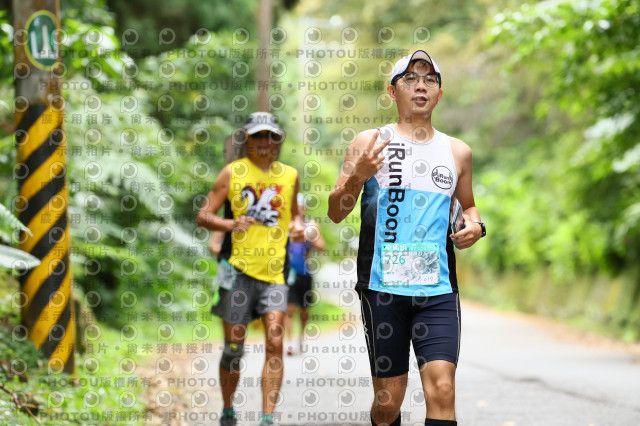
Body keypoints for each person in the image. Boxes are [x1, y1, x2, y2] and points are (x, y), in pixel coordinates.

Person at [328, 50, 486, 426]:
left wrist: (476, 226)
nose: (421, 85)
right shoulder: (370, 142)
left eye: (430, 80)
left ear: (439, 94)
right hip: (382, 289)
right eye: (410, 79)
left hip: (438, 289)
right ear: (392, 91)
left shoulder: (458, 152)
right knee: (388, 404)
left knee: (443, 388)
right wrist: (358, 175)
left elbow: (469, 207)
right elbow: (336, 211)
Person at [197, 111, 304, 426]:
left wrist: (299, 226)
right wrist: (231, 224)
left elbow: (296, 213)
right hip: (236, 271)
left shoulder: (290, 175)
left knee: (275, 342)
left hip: (275, 273)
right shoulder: (231, 173)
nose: (264, 141)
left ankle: (267, 417)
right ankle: (228, 410)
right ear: (247, 140)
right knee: (234, 348)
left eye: (270, 135)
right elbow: (204, 216)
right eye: (258, 135)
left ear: (278, 140)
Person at [284, 193, 325, 356]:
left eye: (299, 206)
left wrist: (310, 237)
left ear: (304, 208)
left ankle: (301, 338)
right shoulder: (285, 224)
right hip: (288, 273)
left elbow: (321, 246)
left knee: (303, 310)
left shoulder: (311, 225)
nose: (297, 209)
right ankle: (289, 342)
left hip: (305, 273)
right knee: (289, 307)